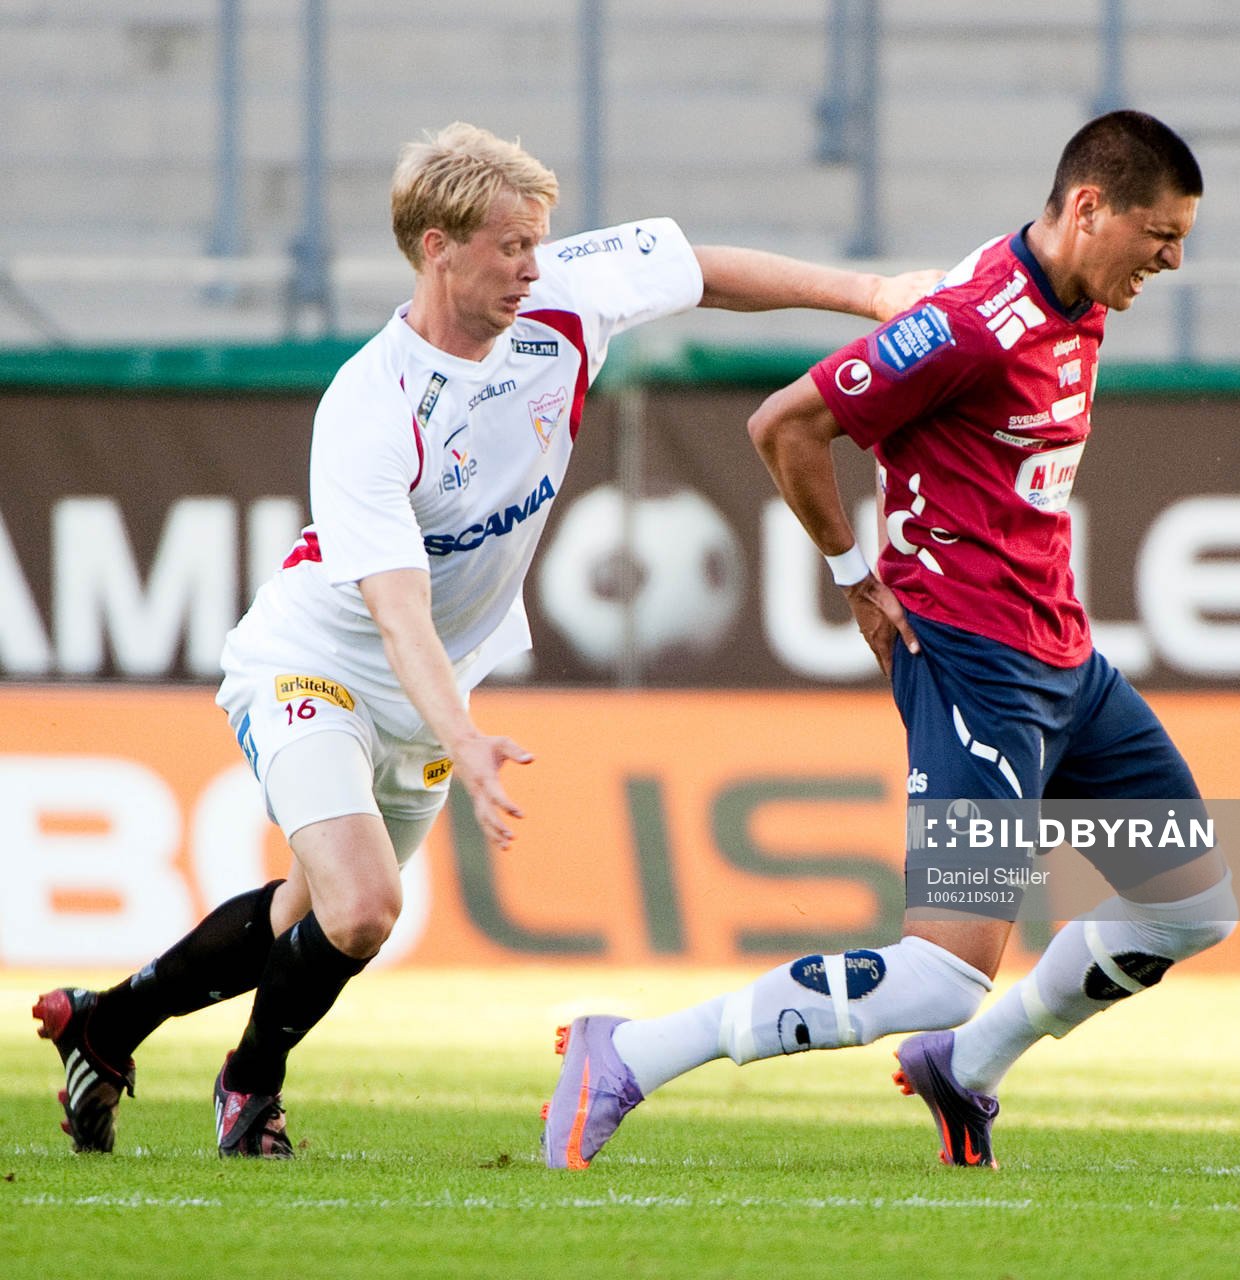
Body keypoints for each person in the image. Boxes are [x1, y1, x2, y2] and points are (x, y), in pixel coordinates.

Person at [32, 121, 938, 1158]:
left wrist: (870, 295)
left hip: (437, 676)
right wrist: (460, 735)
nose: (529, 265)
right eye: (508, 245)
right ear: (435, 245)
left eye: (537, 241)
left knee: (310, 905)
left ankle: (106, 1024)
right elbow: (395, 606)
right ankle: (250, 1085)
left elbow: (698, 268)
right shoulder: (371, 405)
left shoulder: (560, 299)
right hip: (319, 661)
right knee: (365, 903)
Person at [542, 110, 1238, 1171]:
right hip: (973, 666)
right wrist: (852, 576)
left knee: (1190, 906)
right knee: (936, 974)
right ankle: (627, 1051)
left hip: (1067, 667)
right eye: (1163, 233)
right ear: (1090, 207)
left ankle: (965, 1064)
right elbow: (784, 423)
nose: (1174, 259)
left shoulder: (1074, 291)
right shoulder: (971, 325)